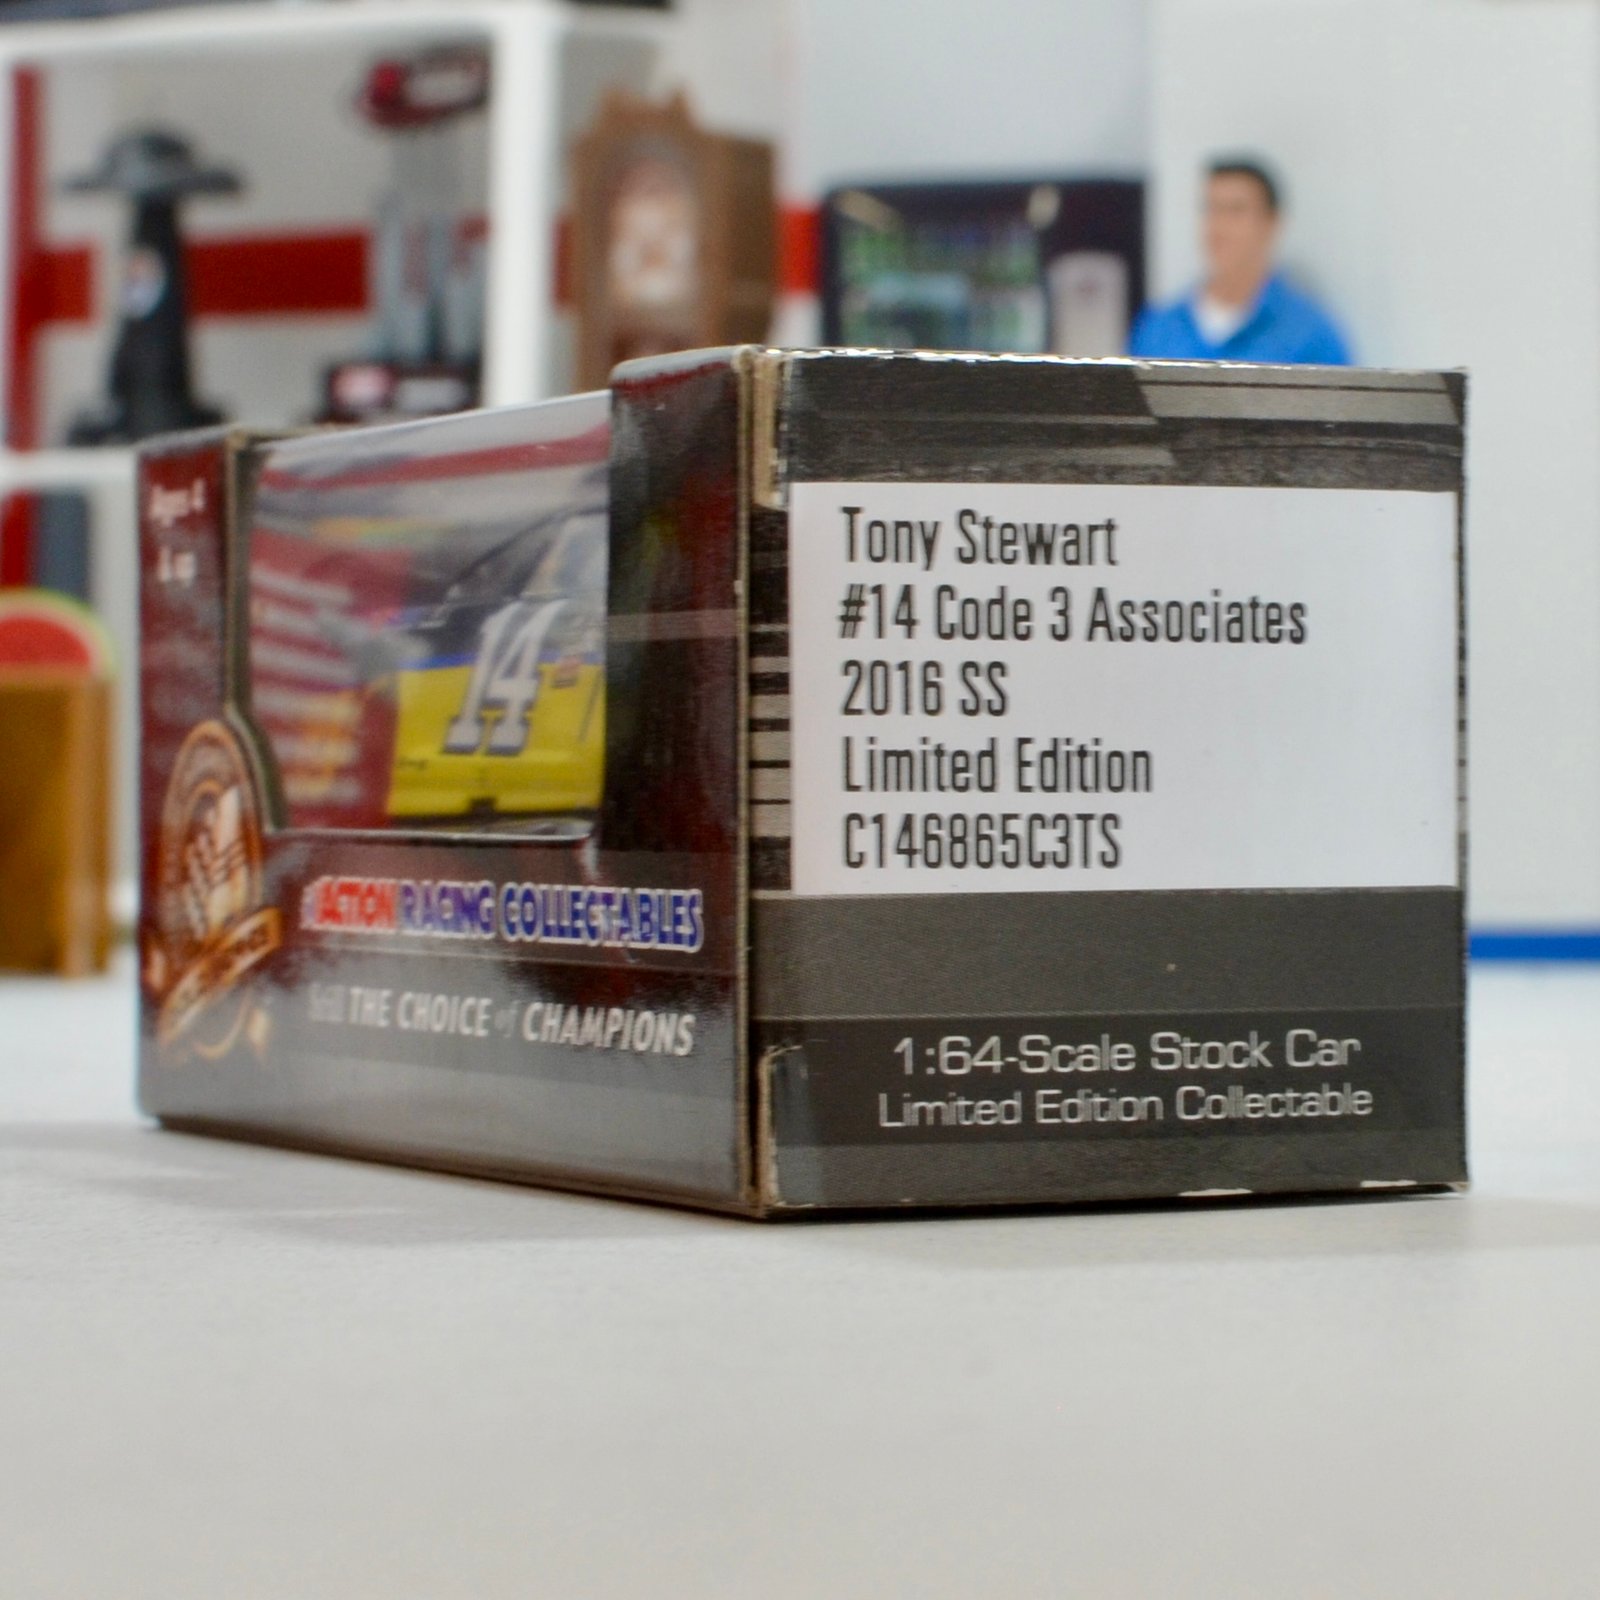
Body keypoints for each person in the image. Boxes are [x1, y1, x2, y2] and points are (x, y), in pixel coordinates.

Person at [1128, 158, 1351, 364]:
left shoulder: (1310, 334)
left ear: (1271, 222)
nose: (1220, 227)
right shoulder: (1159, 328)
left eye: (1236, 211)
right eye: (1212, 209)